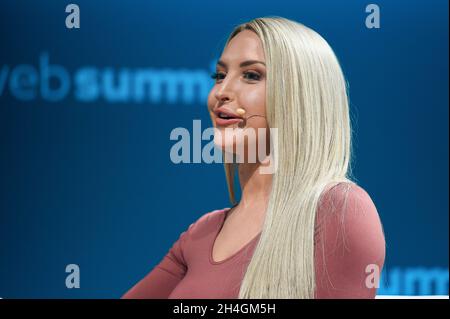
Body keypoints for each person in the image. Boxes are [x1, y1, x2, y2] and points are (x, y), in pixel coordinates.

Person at [122, 16, 385, 299]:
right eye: (220, 76)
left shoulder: (340, 210)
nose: (221, 92)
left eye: (251, 75)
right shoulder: (202, 232)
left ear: (301, 95)